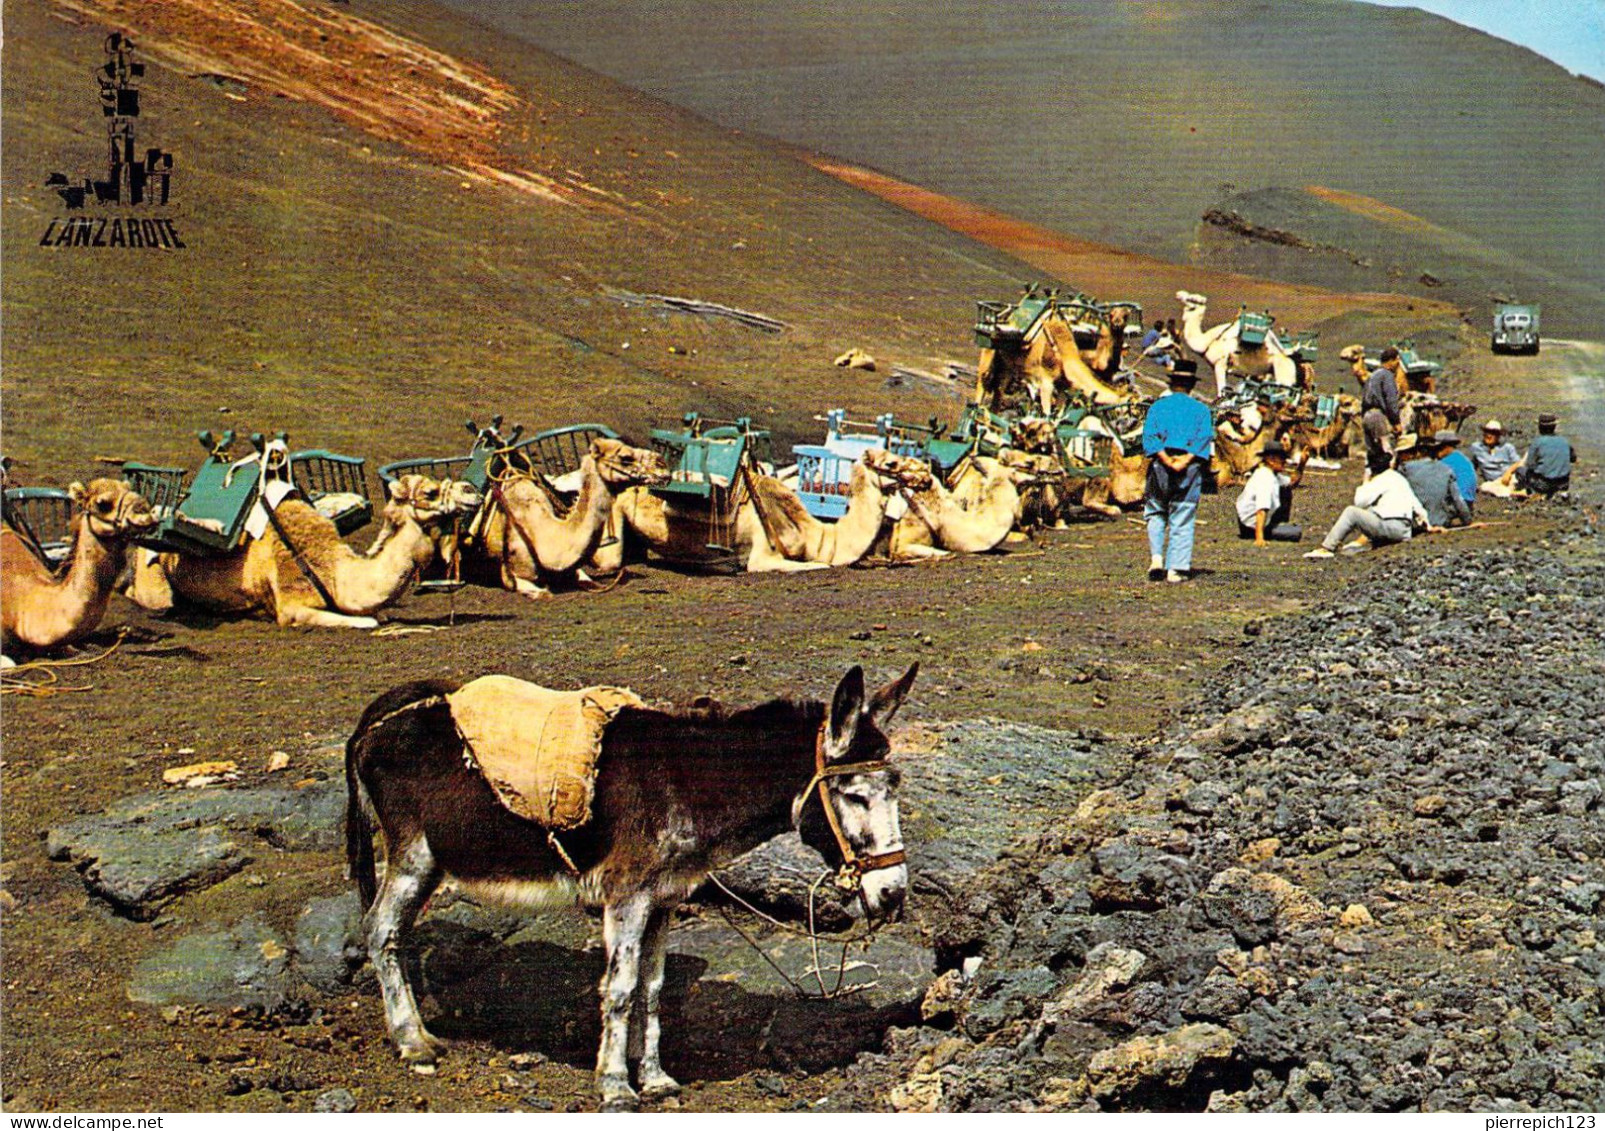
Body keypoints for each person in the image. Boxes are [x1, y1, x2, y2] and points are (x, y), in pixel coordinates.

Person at [1142, 359, 1213, 582]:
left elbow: (1150, 438)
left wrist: (1166, 459)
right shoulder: (1202, 410)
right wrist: (1184, 461)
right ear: (1191, 385)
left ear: (1172, 384)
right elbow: (1204, 439)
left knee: (1156, 510)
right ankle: (1176, 569)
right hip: (1189, 466)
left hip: (1161, 464)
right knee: (1182, 515)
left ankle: (1156, 559)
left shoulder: (1157, 407)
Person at [1304, 453, 1431, 559]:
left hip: (1391, 527)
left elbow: (1359, 502)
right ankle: (1361, 545)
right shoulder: (1399, 479)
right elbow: (1418, 507)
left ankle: (1327, 547)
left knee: (1351, 512)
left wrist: (1366, 481)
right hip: (1404, 530)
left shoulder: (1381, 479)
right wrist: (1427, 524)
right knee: (1372, 510)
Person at [1236, 440, 1307, 543]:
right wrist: (1259, 538)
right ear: (1271, 460)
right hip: (1251, 525)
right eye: (1282, 459)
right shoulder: (1265, 478)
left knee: (1285, 490)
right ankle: (1267, 530)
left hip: (1253, 520)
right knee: (1296, 532)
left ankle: (1278, 524)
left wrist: (1302, 463)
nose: (1285, 462)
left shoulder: (1272, 473)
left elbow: (1292, 482)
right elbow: (1261, 509)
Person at [1399, 433, 1473, 529]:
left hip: (1417, 524)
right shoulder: (1446, 469)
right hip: (1441, 522)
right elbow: (1458, 501)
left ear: (1417, 452)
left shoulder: (1405, 469)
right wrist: (1468, 522)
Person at [1360, 346, 1405, 478]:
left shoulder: (1372, 375)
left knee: (1372, 454)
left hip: (1367, 415)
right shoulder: (1387, 376)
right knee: (1387, 451)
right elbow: (1391, 401)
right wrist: (1396, 422)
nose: (1398, 364)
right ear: (1391, 360)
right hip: (1378, 417)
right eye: (1397, 360)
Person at [1517, 412, 1574, 497]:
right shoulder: (1564, 441)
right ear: (1554, 427)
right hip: (1563, 483)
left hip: (1544, 485)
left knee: (1520, 471)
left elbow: (1530, 464)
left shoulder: (1537, 443)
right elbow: (1573, 458)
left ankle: (1532, 491)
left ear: (1540, 427)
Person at [1434, 429, 1477, 509]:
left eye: (1438, 448)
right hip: (1468, 500)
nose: (1435, 451)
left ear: (1447, 447)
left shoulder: (1446, 462)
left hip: (1459, 503)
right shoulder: (1461, 458)